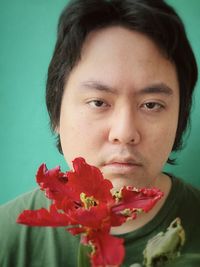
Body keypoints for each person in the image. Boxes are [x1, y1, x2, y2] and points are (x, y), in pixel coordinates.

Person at [0, 0, 200, 266]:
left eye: (151, 105)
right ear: (56, 111)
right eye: (98, 102)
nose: (125, 132)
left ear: (180, 117)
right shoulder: (7, 238)